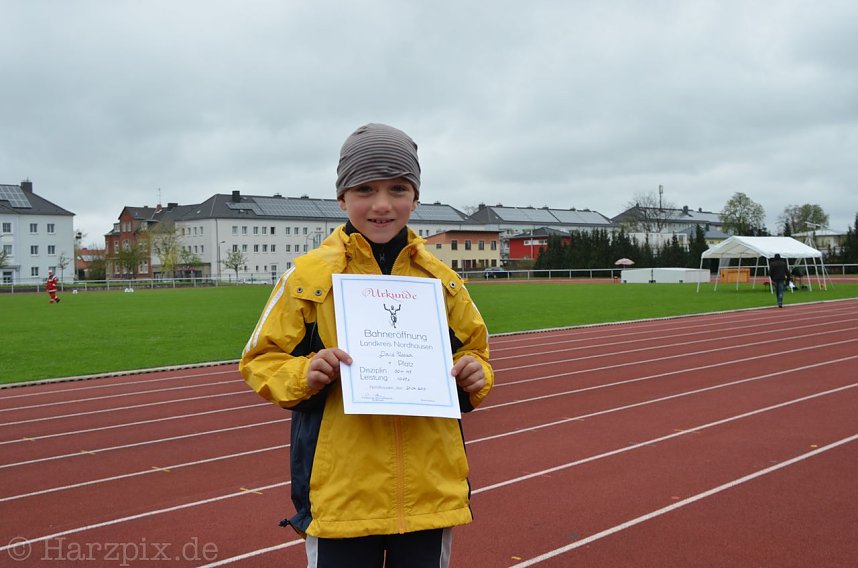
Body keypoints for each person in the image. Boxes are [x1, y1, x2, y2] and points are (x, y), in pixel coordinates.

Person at [239, 123, 494, 567]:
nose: (382, 204)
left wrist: (475, 374)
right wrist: (305, 373)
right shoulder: (308, 278)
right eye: (364, 189)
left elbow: (474, 353)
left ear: (416, 197)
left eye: (398, 188)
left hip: (428, 495)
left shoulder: (442, 281)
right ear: (342, 198)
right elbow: (260, 360)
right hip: (341, 497)